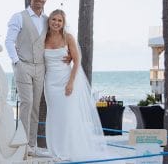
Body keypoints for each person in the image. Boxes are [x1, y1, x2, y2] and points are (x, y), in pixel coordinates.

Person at [44, 9, 115, 162]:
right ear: (49, 21)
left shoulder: (68, 37)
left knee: (67, 116)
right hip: (49, 82)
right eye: (54, 19)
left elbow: (77, 61)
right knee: (53, 115)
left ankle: (66, 149)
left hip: (66, 80)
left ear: (63, 23)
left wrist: (70, 83)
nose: (56, 23)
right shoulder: (43, 38)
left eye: (59, 20)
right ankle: (54, 149)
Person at [5, 0, 52, 157]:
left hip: (40, 67)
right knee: (26, 104)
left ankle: (32, 146)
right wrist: (16, 62)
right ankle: (22, 145)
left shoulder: (47, 20)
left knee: (35, 107)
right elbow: (9, 41)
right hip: (23, 65)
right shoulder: (18, 17)